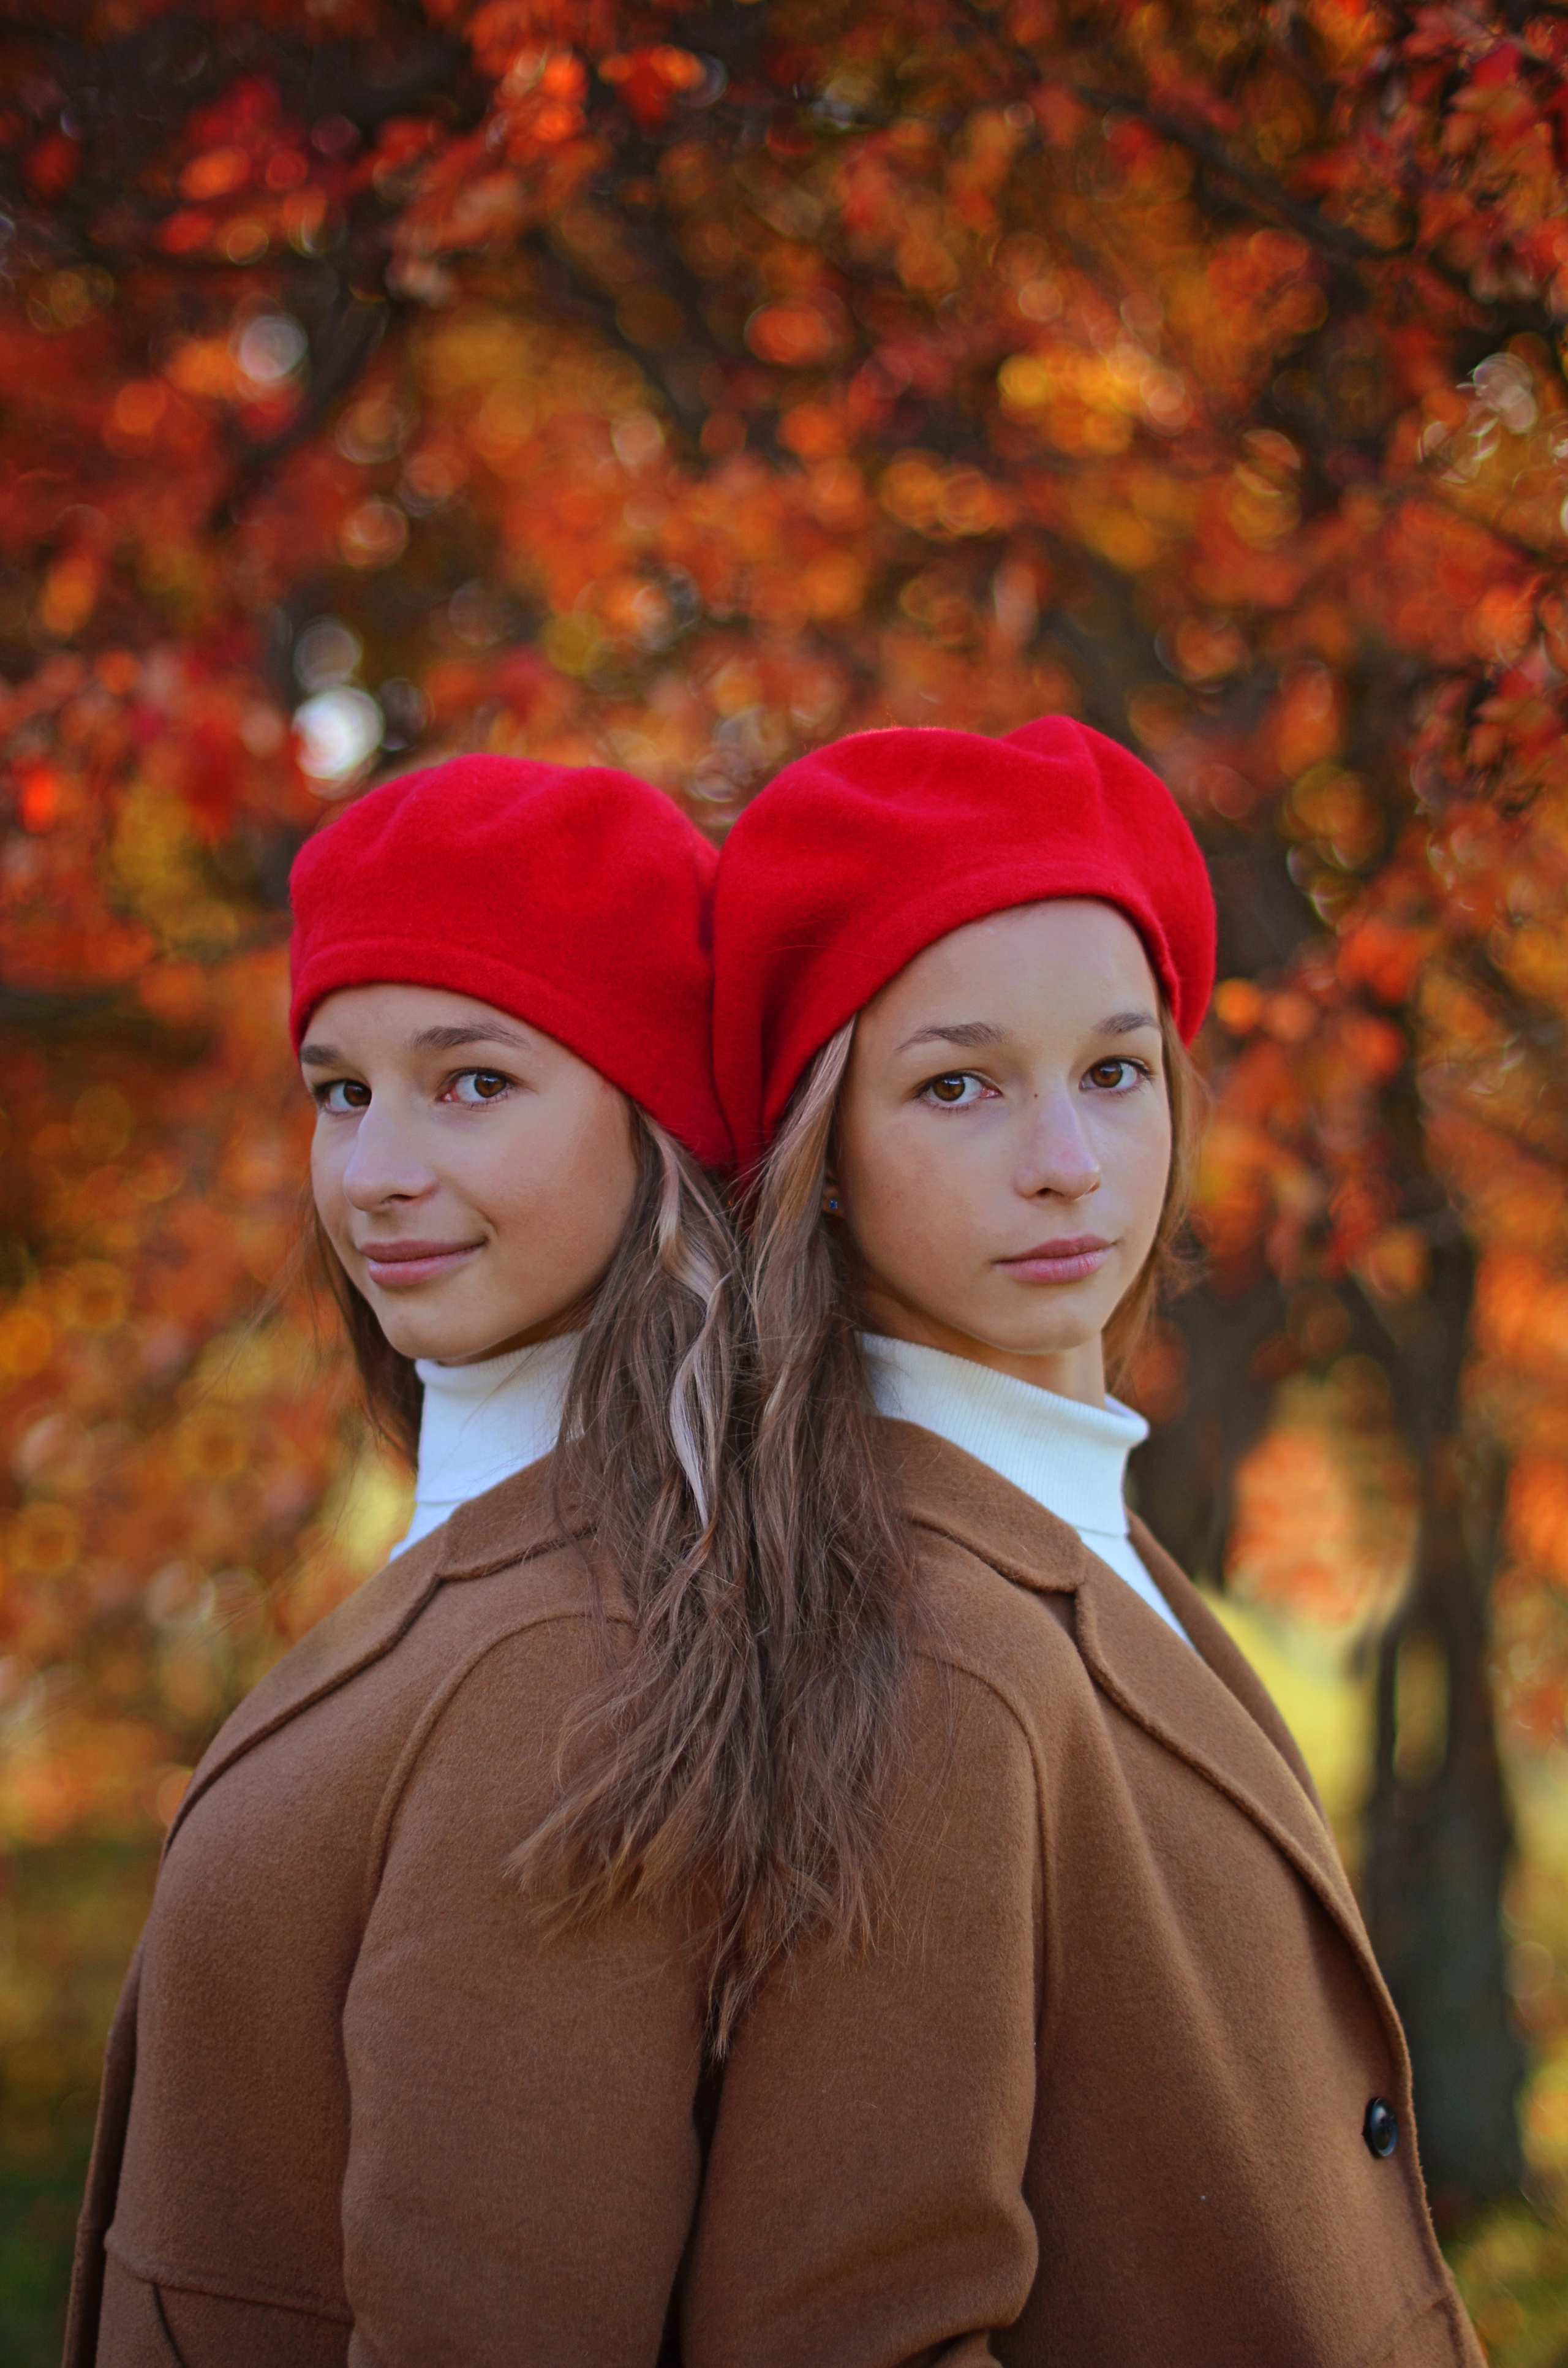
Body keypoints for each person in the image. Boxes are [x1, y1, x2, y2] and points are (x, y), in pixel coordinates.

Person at [682, 717, 1484, 2367]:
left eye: (1115, 1070)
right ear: (821, 1153)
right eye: (958, 1083)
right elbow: (850, 2327)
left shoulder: (1079, 1536)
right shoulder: (939, 1655)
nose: (1066, 1165)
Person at [65, 754, 754, 2368]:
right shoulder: (485, 1550)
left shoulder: (555, 1667)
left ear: (653, 1113)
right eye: (340, 1089)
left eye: (473, 1082)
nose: (374, 1171)